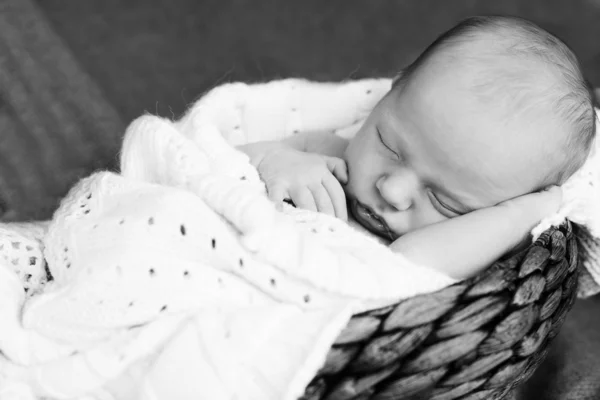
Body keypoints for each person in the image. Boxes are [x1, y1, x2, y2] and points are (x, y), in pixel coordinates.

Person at [239, 16, 597, 279]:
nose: (392, 190)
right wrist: (277, 160)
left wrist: (520, 215)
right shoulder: (328, 153)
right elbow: (232, 162)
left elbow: (406, 263)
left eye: (445, 202)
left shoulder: (465, 246)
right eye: (389, 146)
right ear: (388, 94)